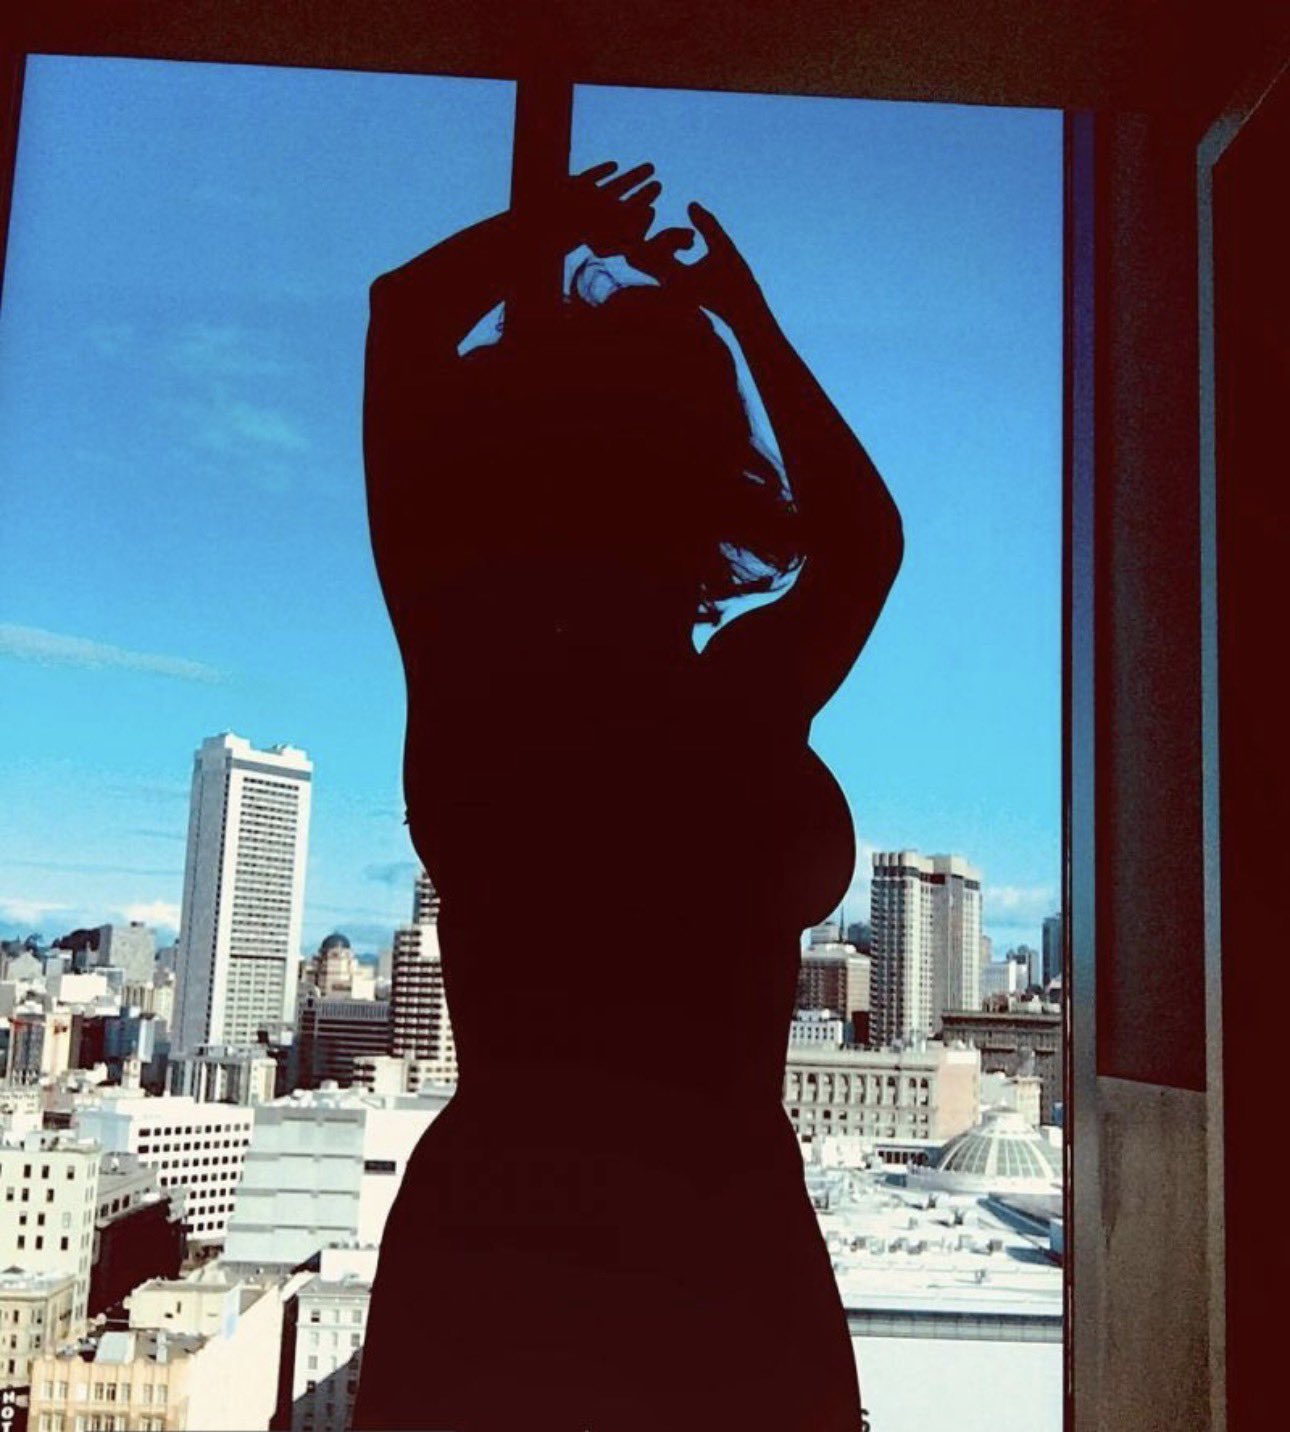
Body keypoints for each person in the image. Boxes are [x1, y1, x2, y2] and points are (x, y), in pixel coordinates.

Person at [353, 160, 902, 1432]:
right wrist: (743, 316)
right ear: (709, 465)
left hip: (500, 1250)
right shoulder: (740, 695)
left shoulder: (470, 672)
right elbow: (865, 540)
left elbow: (401, 317)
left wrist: (546, 227)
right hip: (722, 1252)